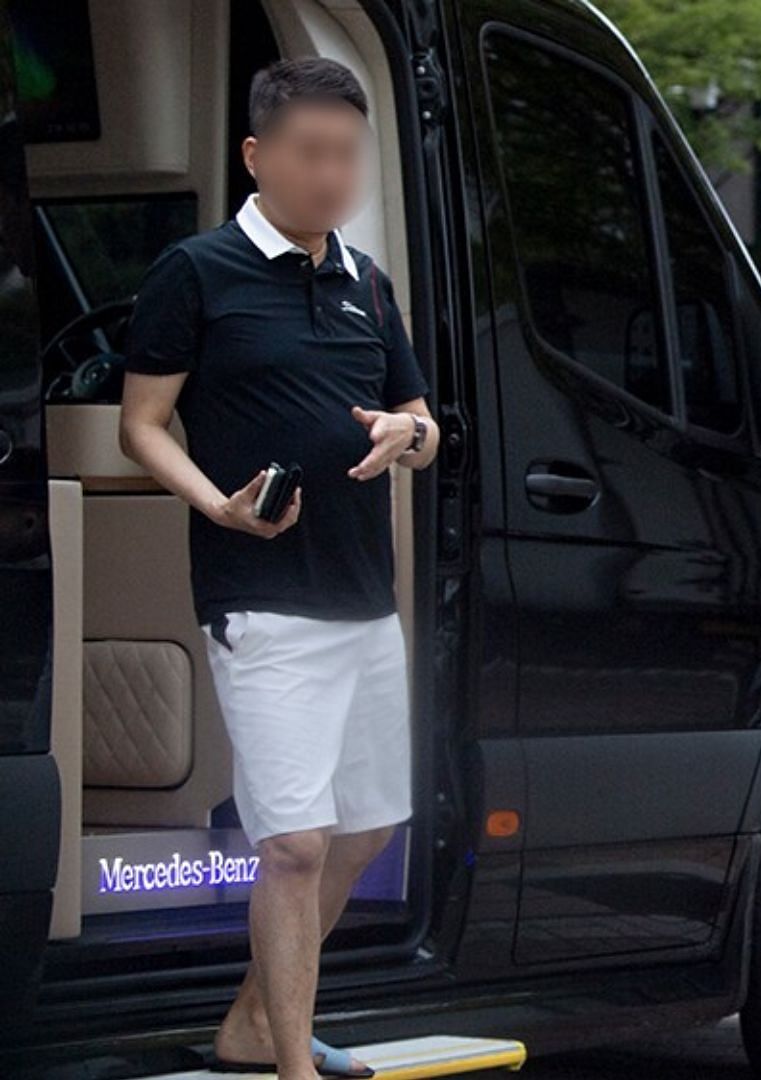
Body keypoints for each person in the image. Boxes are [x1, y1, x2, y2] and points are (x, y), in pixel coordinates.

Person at [118, 57, 440, 1080]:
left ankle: (255, 1023)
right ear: (258, 155)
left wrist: (410, 435)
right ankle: (289, 1065)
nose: (332, 175)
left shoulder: (367, 282)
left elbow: (426, 422)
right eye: (311, 153)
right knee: (294, 843)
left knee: (372, 824)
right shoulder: (197, 273)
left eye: (347, 155)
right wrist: (215, 503)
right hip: (259, 598)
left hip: (364, 598)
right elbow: (141, 424)